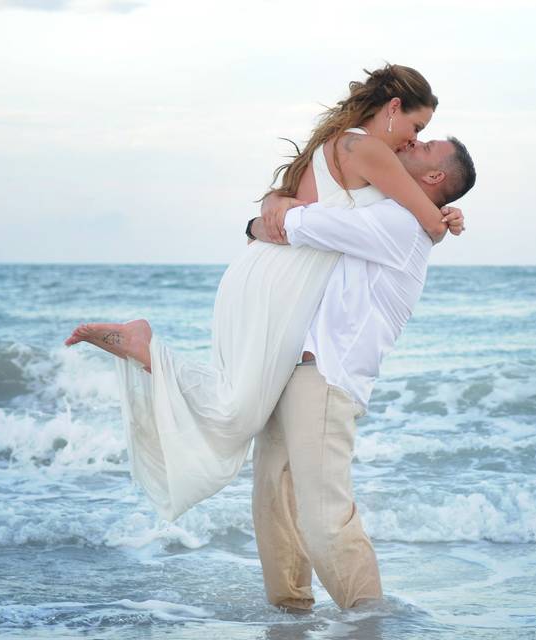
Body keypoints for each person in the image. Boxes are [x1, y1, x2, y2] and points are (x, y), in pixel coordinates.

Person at [63, 64, 462, 523]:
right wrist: (448, 218)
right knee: (238, 412)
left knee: (238, 402)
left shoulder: (338, 143)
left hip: (265, 270)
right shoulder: (369, 148)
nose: (413, 140)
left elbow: (290, 204)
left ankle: (146, 348)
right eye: (417, 127)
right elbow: (424, 219)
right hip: (285, 278)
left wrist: (270, 209)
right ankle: (144, 345)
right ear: (394, 108)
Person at [247, 136, 476, 611]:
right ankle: (290, 617)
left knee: (324, 516)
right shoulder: (386, 207)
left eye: (426, 144)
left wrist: (264, 214)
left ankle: (368, 620)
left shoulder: (400, 223)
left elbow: (297, 225)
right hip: (293, 367)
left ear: (434, 178)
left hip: (326, 377)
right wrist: (271, 209)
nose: (412, 141)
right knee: (274, 503)